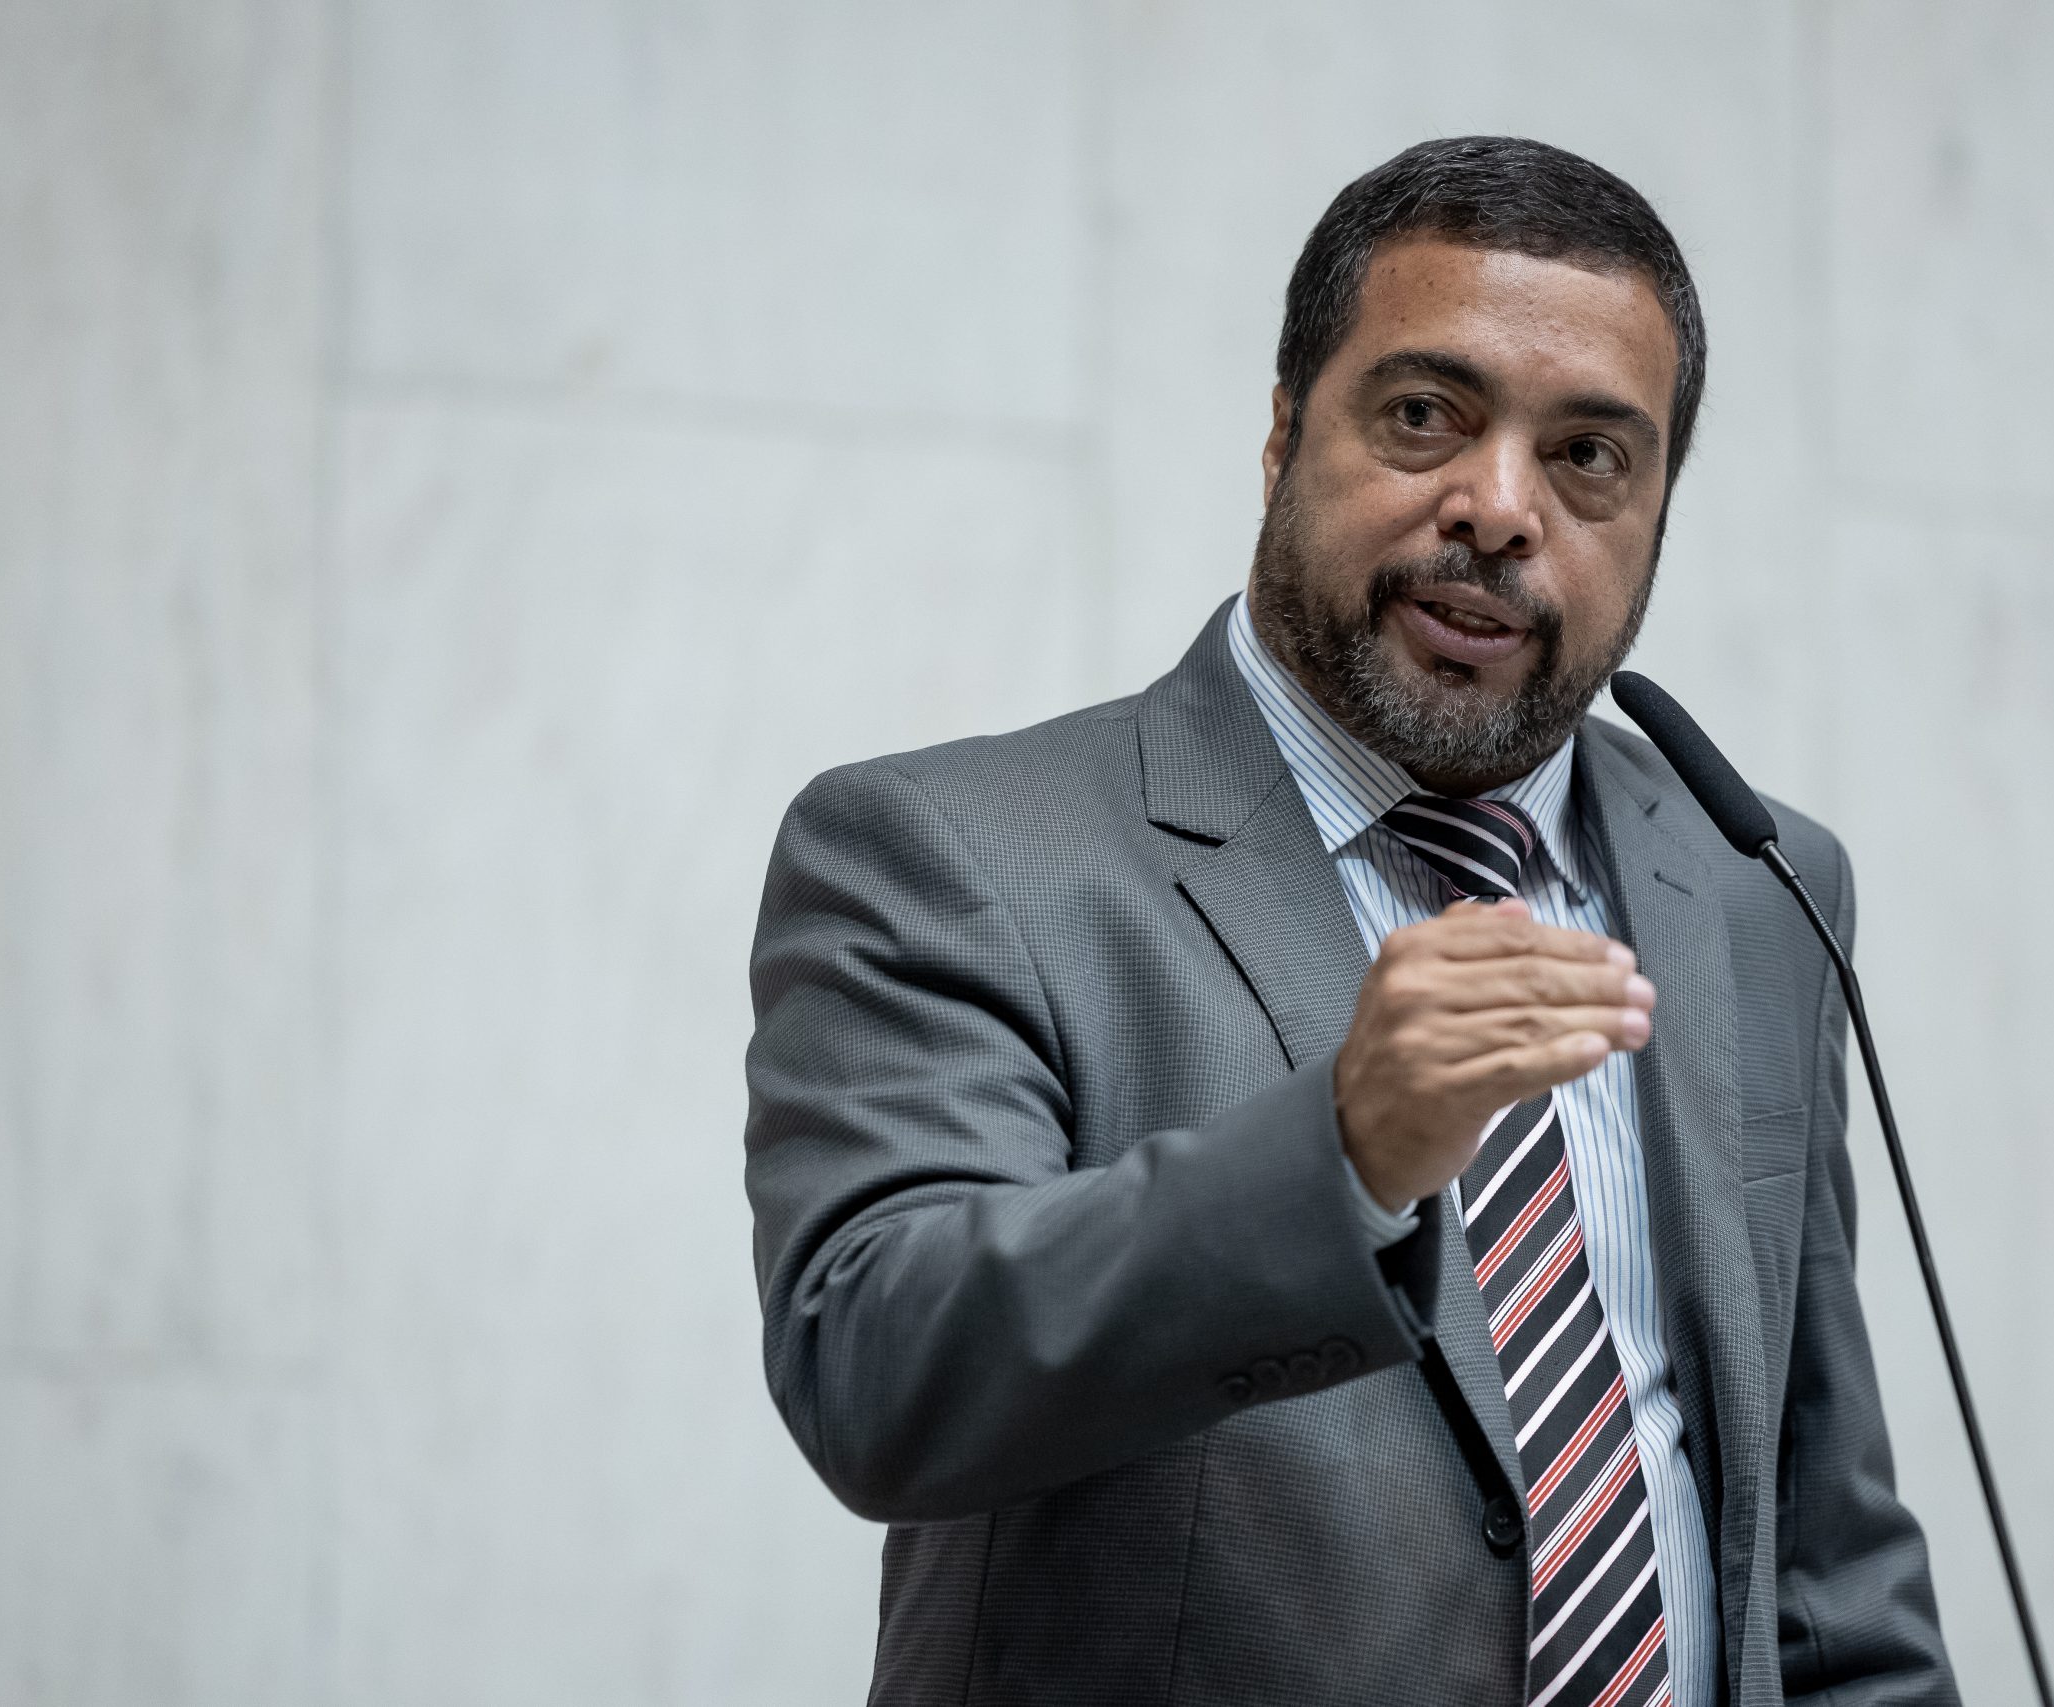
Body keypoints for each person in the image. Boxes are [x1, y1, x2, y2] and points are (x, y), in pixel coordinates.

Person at [745, 135, 1956, 1707]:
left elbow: (1821, 1559)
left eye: (1590, 456)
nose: (1501, 509)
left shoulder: (1754, 882)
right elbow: (877, 1377)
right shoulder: (954, 852)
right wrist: (1342, 1154)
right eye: (1425, 415)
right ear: (1280, 437)